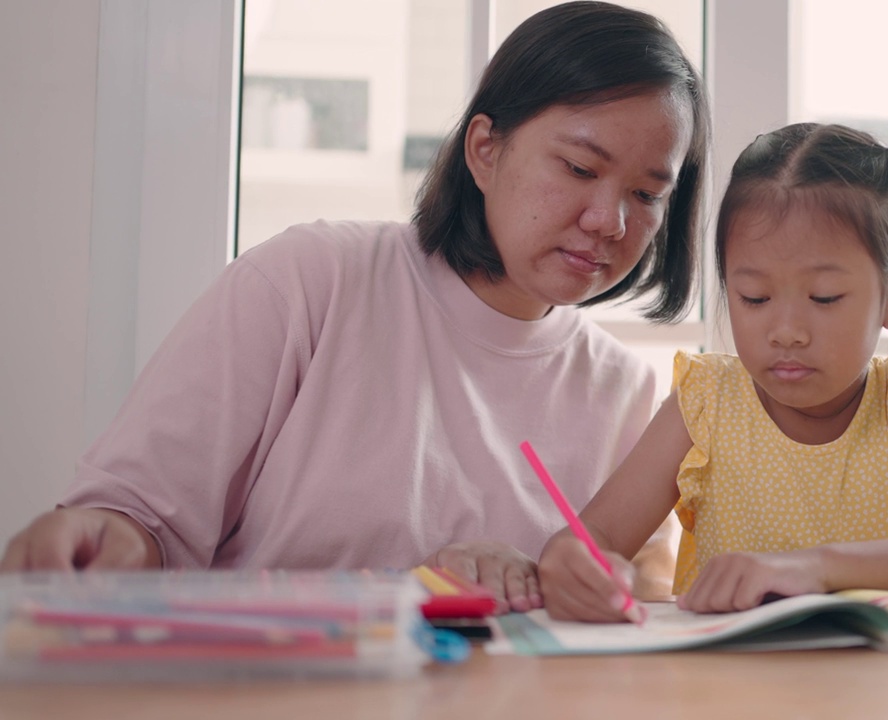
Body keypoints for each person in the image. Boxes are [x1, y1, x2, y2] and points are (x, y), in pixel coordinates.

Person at [0, 1, 710, 614]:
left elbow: (626, 609)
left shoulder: (623, 391)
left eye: (647, 194)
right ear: (486, 151)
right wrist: (96, 542)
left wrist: (581, 592)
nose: (610, 221)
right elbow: (141, 522)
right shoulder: (311, 282)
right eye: (580, 169)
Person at [538, 123, 888, 620]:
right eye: (754, 297)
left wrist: (819, 568)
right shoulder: (706, 401)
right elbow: (593, 540)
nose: (786, 331)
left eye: (824, 298)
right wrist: (573, 563)